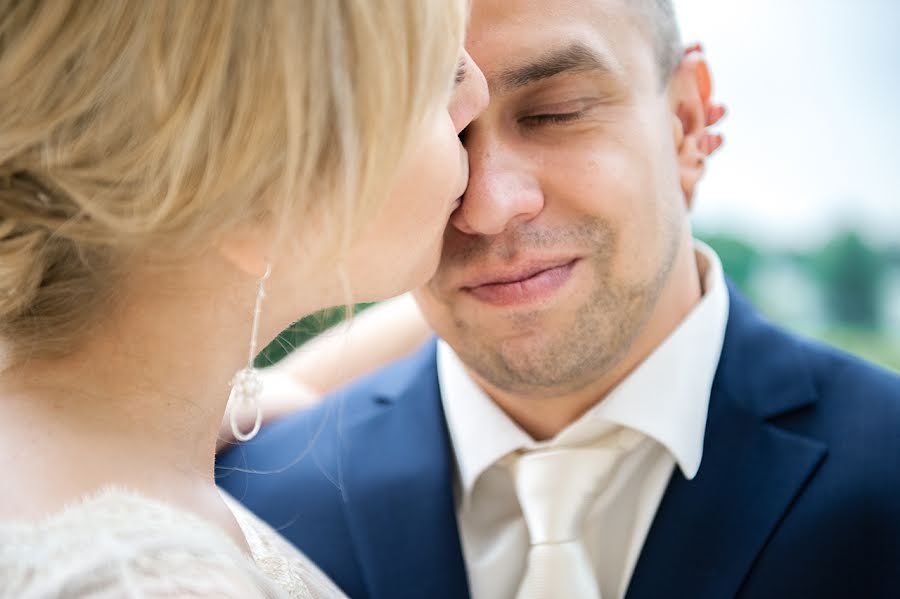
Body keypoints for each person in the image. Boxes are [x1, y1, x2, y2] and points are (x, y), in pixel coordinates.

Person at [216, 1, 900, 598]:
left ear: (686, 121)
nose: (488, 206)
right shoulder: (250, 506)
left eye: (553, 114)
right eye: (436, 137)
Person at [0, 1, 489, 597]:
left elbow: (303, 388)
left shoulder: (122, 412)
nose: (478, 95)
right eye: (435, 76)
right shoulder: (141, 583)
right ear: (264, 196)